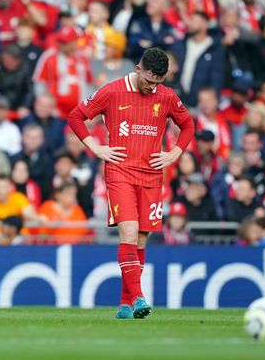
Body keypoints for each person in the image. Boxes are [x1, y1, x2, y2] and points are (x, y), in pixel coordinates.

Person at [67, 47, 195, 319]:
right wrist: (96, 148)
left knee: (139, 240)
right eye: (150, 81)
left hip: (151, 175)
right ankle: (138, 297)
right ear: (139, 69)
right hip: (120, 172)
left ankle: (125, 305)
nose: (153, 87)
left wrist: (174, 154)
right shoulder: (112, 91)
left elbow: (188, 125)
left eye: (158, 82)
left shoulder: (168, 96)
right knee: (129, 232)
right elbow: (76, 116)